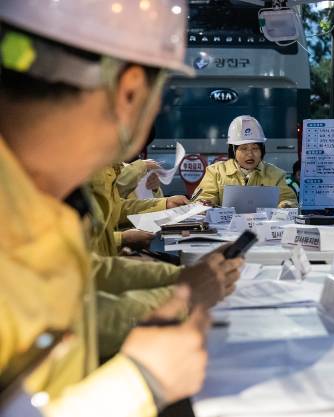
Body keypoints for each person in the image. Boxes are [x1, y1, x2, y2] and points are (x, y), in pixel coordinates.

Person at [0, 2, 243, 416]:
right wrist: (142, 381)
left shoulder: (38, 199)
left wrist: (181, 282)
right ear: (130, 91)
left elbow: (83, 280)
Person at [194, 115, 297, 207]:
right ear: (233, 150)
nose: (250, 154)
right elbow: (204, 197)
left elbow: (288, 199)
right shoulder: (215, 172)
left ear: (262, 150)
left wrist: (285, 205)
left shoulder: (276, 174)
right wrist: (206, 204)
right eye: (244, 148)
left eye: (255, 148)